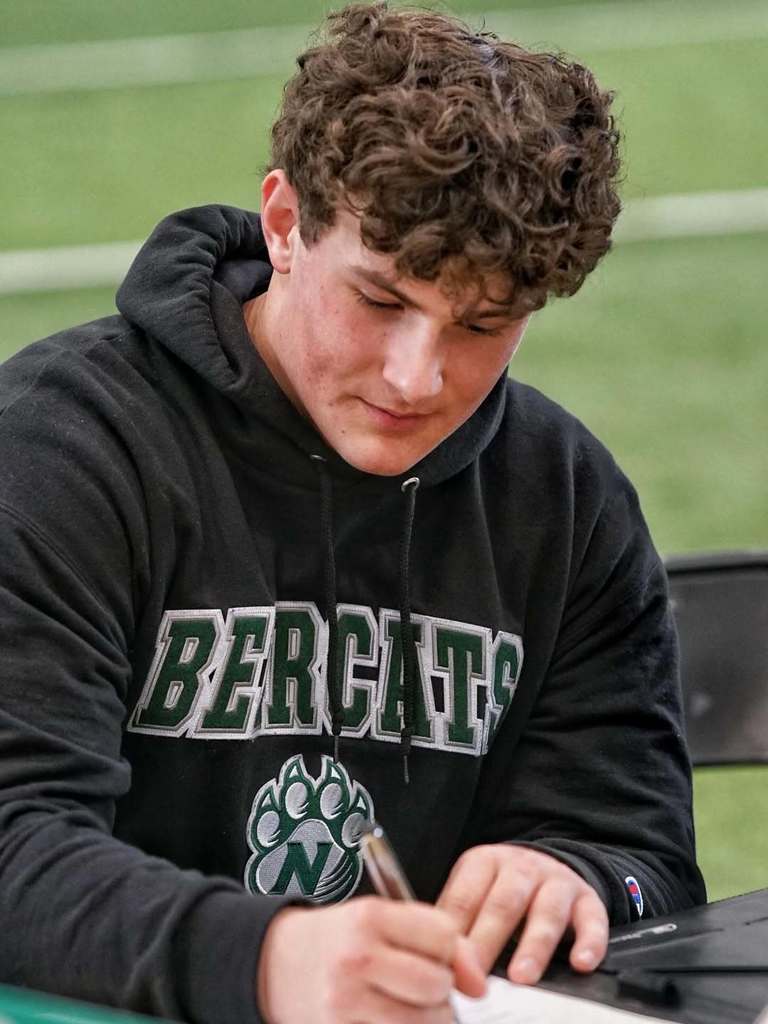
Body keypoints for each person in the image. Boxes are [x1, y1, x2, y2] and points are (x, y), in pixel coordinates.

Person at [0, 4, 705, 1023]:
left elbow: (644, 854)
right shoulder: (62, 448)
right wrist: (264, 959)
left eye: (483, 324)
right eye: (380, 300)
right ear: (285, 224)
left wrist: (575, 875)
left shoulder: (564, 497)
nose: (418, 377)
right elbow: (14, 836)